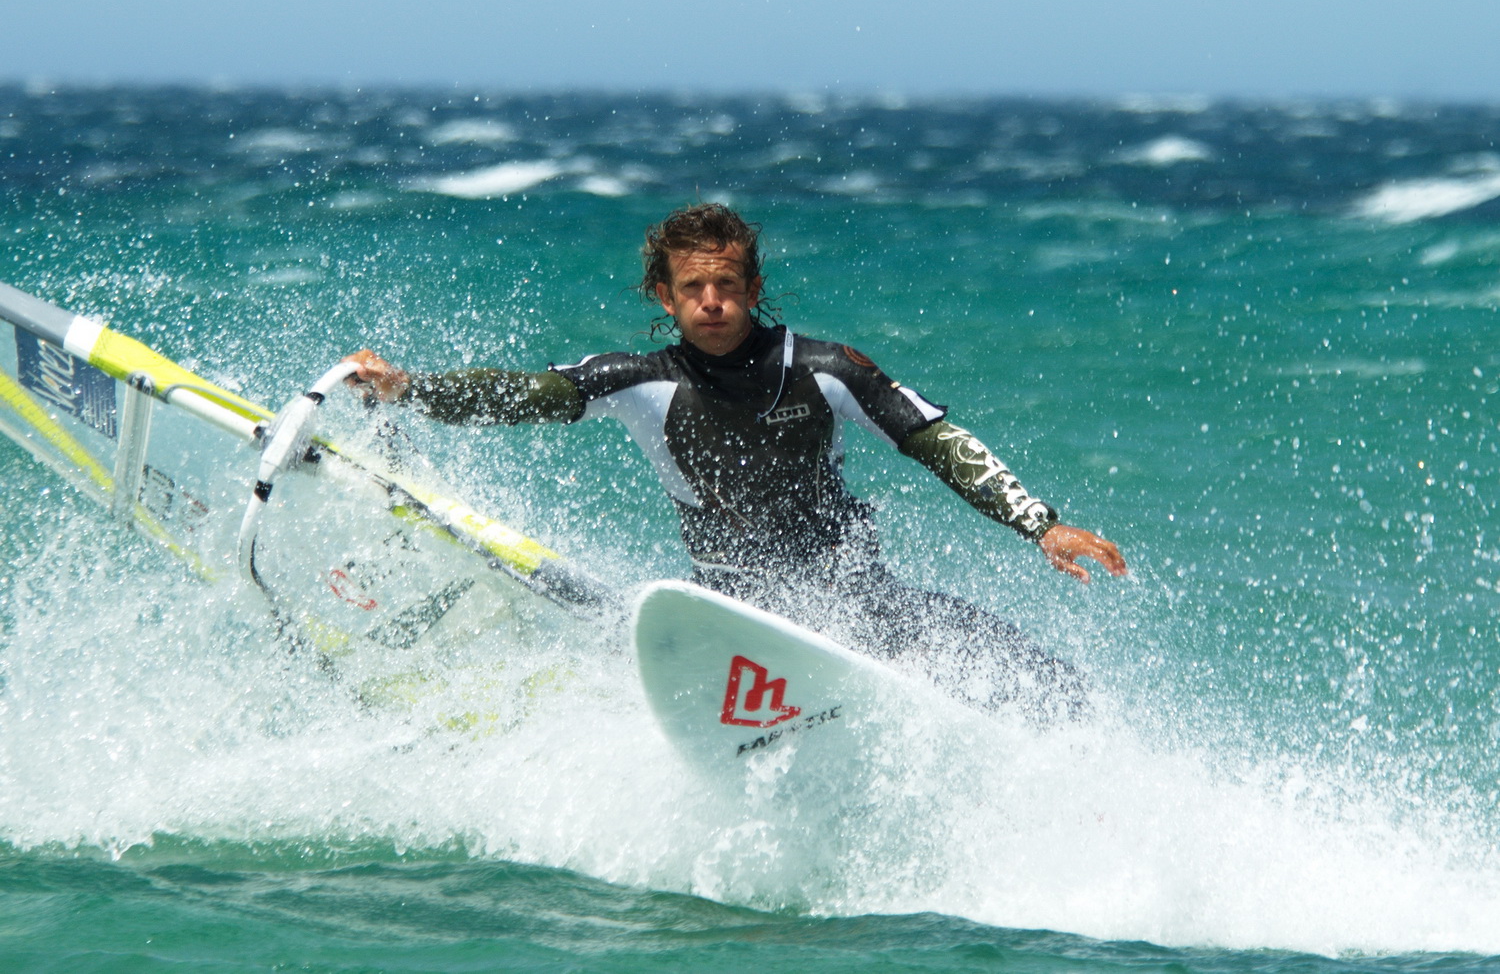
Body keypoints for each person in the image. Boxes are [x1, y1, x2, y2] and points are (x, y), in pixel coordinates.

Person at [346, 203, 1126, 722]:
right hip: (735, 611)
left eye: (728, 284)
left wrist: (1042, 527)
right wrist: (410, 388)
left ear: (754, 288)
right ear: (664, 296)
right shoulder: (639, 380)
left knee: (1024, 669)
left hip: (850, 599)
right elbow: (533, 394)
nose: (712, 300)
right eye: (694, 287)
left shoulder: (826, 369)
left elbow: (933, 441)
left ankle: (1085, 747)